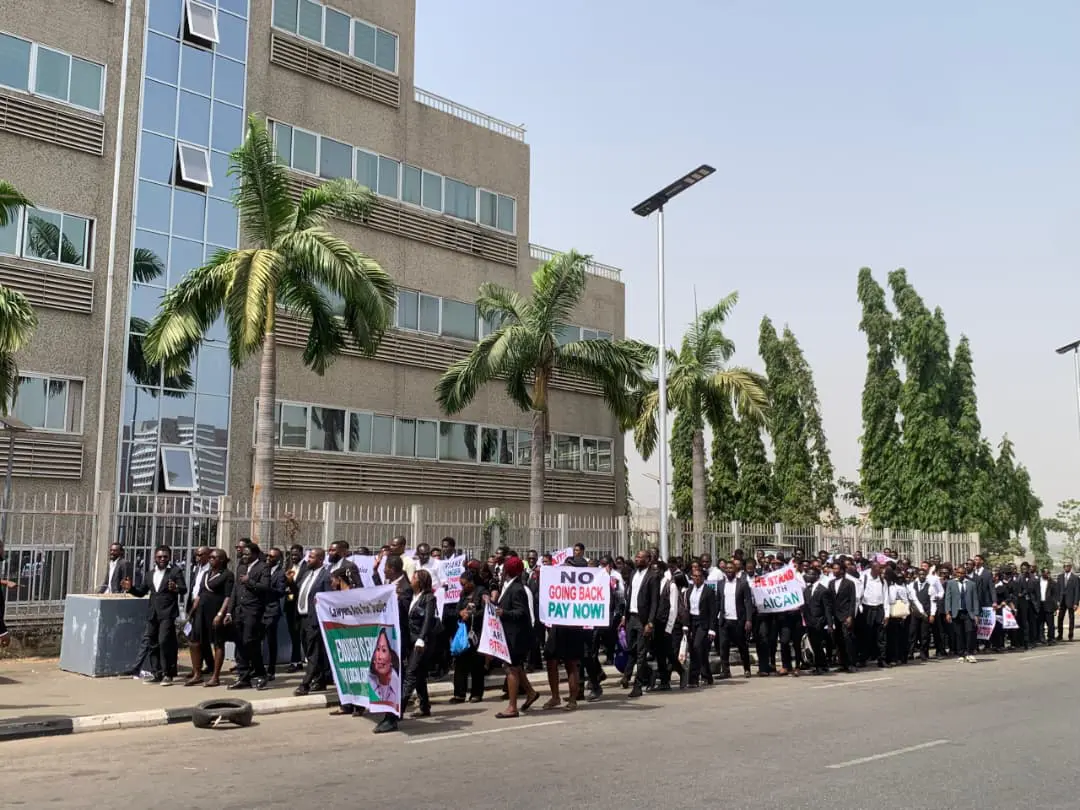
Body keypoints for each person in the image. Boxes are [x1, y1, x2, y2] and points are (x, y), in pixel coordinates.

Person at [124, 545, 187, 685]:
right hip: (153, 614)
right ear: (155, 558)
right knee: (152, 643)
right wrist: (131, 589)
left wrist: (176, 588)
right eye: (159, 557)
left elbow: (184, 589)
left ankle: (167, 674)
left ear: (169, 557)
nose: (162, 559)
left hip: (168, 613)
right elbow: (141, 592)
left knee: (164, 642)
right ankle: (156, 673)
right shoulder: (149, 574)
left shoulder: (175, 572)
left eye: (165, 556)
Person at [493, 555, 540, 719]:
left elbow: (521, 612)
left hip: (516, 636)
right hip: (510, 634)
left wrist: (504, 613)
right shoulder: (508, 586)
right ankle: (531, 692)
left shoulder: (517, 589)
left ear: (509, 570)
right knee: (516, 667)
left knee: (511, 668)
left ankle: (512, 707)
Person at [227, 541, 271, 691]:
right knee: (239, 643)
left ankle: (261, 673)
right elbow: (234, 590)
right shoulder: (241, 567)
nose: (243, 556)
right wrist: (229, 611)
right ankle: (243, 677)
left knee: (250, 642)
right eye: (243, 554)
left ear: (254, 554)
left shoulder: (263, 567)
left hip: (253, 611)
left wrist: (249, 581)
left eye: (247, 554)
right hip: (239, 610)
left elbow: (265, 587)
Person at [188, 548, 233, 687]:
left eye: (214, 557)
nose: (211, 559)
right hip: (201, 611)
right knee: (194, 641)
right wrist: (192, 611)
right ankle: (197, 674)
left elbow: (228, 597)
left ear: (221, 560)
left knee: (218, 643)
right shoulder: (206, 573)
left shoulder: (227, 575)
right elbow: (200, 592)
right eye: (211, 557)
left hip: (215, 612)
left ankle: (215, 676)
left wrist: (221, 614)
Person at [399, 568, 439, 721]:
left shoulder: (428, 598)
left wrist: (421, 638)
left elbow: (428, 620)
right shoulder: (411, 596)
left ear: (420, 581)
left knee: (411, 673)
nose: (411, 579)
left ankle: (399, 709)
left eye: (414, 577)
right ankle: (424, 706)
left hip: (422, 642)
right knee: (420, 674)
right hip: (410, 640)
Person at [292, 548, 331, 697]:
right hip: (302, 618)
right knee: (310, 652)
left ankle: (305, 684)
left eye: (312, 557)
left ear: (320, 560)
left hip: (314, 619)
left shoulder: (326, 576)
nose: (308, 560)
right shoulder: (307, 574)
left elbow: (328, 599)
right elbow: (299, 591)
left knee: (313, 653)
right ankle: (320, 680)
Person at [620, 549, 659, 698]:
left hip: (643, 620)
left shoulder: (653, 576)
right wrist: (625, 617)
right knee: (631, 649)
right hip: (631, 617)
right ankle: (648, 674)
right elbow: (629, 596)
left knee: (641, 653)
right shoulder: (633, 574)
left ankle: (638, 685)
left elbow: (655, 601)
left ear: (648, 560)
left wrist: (650, 622)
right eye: (636, 557)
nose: (637, 559)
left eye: (640, 557)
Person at [450, 569, 487, 704]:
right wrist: (461, 613)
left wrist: (471, 615)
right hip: (463, 633)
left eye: (464, 584)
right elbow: (457, 609)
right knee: (460, 663)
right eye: (461, 584)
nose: (463, 587)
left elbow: (485, 610)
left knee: (477, 664)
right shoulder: (462, 594)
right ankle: (459, 693)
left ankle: (476, 693)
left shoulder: (481, 592)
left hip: (476, 633)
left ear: (471, 582)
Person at [716, 560, 754, 679]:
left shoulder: (742, 584)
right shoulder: (721, 584)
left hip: (738, 620)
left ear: (735, 570)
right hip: (724, 620)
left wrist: (748, 619)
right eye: (727, 569)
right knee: (723, 646)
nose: (729, 570)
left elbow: (748, 602)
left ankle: (747, 669)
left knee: (742, 646)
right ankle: (726, 671)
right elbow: (718, 601)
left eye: (731, 568)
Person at [683, 565, 717, 686]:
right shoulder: (689, 590)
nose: (696, 578)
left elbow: (713, 612)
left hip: (704, 623)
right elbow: (687, 609)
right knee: (695, 650)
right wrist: (686, 625)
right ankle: (707, 676)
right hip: (692, 622)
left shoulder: (709, 591)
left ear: (703, 578)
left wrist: (712, 629)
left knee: (697, 646)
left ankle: (694, 678)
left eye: (699, 576)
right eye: (694, 576)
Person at [183, 546, 212, 683]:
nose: (198, 557)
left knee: (197, 639)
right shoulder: (197, 568)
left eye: (201, 555)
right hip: (193, 605)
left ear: (208, 555)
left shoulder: (211, 570)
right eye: (196, 555)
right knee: (197, 638)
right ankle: (199, 668)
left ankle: (198, 671)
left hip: (204, 608)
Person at [944, 565, 980, 663]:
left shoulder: (971, 584)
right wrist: (948, 612)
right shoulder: (951, 583)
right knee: (959, 634)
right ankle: (961, 654)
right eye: (958, 573)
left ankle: (969, 653)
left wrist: (976, 614)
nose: (960, 575)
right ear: (956, 573)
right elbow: (948, 598)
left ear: (965, 574)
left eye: (962, 573)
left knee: (969, 632)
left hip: (968, 612)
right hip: (956, 612)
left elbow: (975, 599)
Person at [262, 547, 287, 680]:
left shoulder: (280, 573)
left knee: (271, 640)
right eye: (268, 556)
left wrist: (267, 588)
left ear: (277, 559)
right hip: (260, 609)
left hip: (272, 609)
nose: (268, 558)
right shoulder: (263, 570)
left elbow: (281, 591)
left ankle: (271, 669)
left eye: (272, 557)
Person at [283, 544, 306, 673]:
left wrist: (291, 582)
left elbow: (301, 586)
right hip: (290, 604)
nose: (293, 557)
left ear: (302, 554)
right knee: (293, 635)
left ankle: (298, 661)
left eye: (296, 555)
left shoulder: (306, 567)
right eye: (292, 555)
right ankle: (295, 661)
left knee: (300, 635)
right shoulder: (290, 566)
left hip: (300, 605)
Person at [368, 627, 400, 708]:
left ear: (391, 657)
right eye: (377, 649)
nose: (379, 657)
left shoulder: (398, 687)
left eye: (384, 650)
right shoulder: (369, 681)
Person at [1056, 562, 1080, 642]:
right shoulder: (1060, 577)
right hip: (1062, 601)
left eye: (1068, 566)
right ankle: (1060, 635)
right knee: (1060, 618)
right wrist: (1057, 601)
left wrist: (1076, 603)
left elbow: (1077, 591)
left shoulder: (1075, 578)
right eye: (1065, 566)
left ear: (1070, 567)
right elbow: (1057, 590)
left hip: (1071, 601)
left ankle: (1070, 635)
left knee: (1071, 618)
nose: (1066, 568)